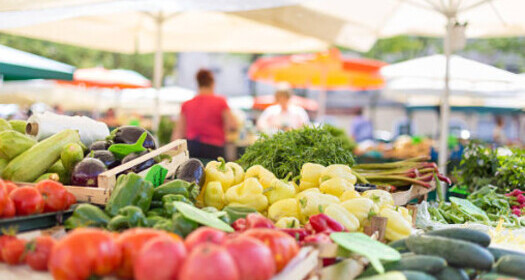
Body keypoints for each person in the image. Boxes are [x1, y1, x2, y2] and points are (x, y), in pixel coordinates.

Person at [172, 69, 237, 159]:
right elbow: (232, 125)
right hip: (214, 148)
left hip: (192, 147)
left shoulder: (187, 104)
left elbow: (179, 132)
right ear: (212, 83)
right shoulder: (220, 102)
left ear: (198, 84)